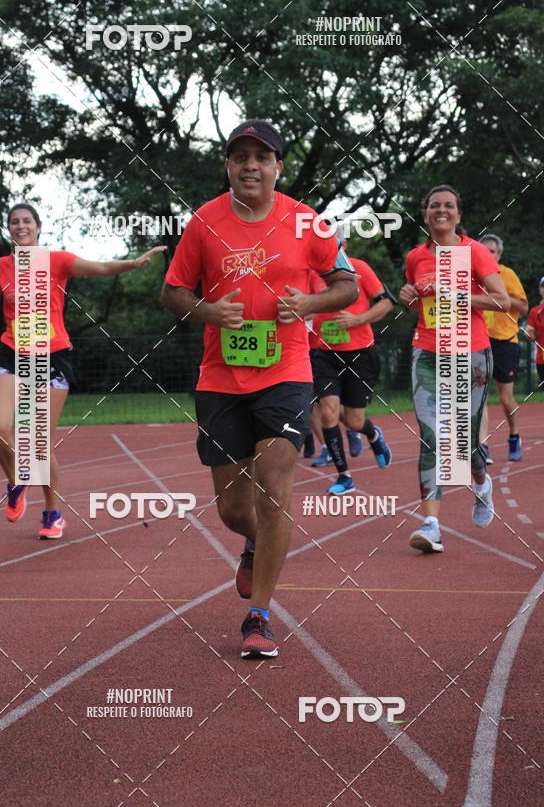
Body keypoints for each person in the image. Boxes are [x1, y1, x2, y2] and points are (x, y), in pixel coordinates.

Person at [160, 120, 358, 658]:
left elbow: (348, 285)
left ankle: (259, 615)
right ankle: (251, 543)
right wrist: (205, 310)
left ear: (278, 167)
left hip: (288, 371)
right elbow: (173, 290)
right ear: (227, 165)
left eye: (262, 157)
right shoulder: (204, 221)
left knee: (274, 486)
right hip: (220, 376)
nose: (251, 165)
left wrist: (310, 303)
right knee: (231, 509)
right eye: (240, 156)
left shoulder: (307, 222)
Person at [0, 203, 165, 539]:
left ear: (38, 227)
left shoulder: (56, 261)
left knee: (37, 444)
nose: (21, 226)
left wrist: (133, 263)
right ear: (9, 229)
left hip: (51, 357)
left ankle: (52, 513)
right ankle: (16, 481)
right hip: (13, 355)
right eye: (14, 222)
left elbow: (101, 267)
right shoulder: (3, 267)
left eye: (27, 221)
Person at [399, 185, 510, 554]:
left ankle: (480, 481)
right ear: (426, 213)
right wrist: (408, 296)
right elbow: (421, 302)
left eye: (448, 206)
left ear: (458, 215)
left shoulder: (474, 251)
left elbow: (502, 300)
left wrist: (456, 294)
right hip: (427, 352)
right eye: (434, 206)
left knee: (461, 445)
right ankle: (431, 524)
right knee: (432, 435)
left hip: (471, 353)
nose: (441, 211)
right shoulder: (415, 256)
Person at [309, 236, 395, 493]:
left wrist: (358, 319)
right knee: (328, 412)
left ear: (343, 246)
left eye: (333, 245)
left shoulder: (360, 268)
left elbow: (387, 302)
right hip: (323, 354)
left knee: (354, 421)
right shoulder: (310, 274)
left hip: (359, 354)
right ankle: (344, 476)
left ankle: (373, 434)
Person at [478, 234, 528, 463]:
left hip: (506, 341)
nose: (488, 255)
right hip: (479, 340)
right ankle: (484, 446)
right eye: (483, 251)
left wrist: (500, 298)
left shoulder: (507, 275)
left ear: (499, 255)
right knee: (480, 396)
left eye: (492, 252)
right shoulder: (473, 275)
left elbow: (523, 307)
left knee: (506, 398)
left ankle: (514, 436)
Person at [526, 277, 544, 387]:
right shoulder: (534, 311)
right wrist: (529, 334)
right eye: (543, 286)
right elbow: (530, 331)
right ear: (540, 290)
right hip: (541, 358)